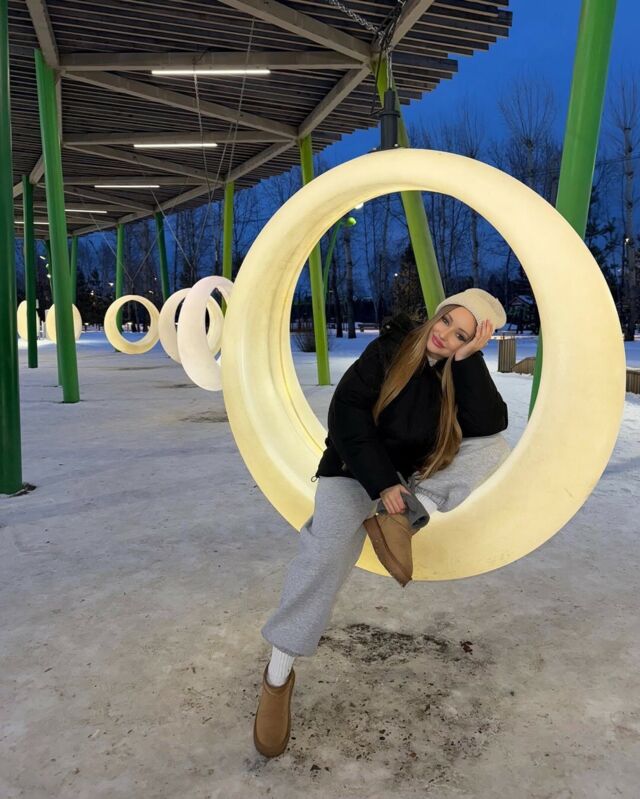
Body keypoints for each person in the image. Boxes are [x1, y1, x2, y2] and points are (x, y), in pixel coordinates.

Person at [253, 288, 511, 758]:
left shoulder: (456, 371)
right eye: (447, 321)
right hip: (354, 470)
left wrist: (468, 362)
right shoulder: (391, 348)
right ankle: (277, 677)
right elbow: (345, 413)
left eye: (461, 336)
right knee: (325, 557)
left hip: (410, 482)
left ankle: (405, 519)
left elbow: (489, 425)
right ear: (437, 314)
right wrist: (382, 483)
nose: (445, 336)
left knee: (495, 446)